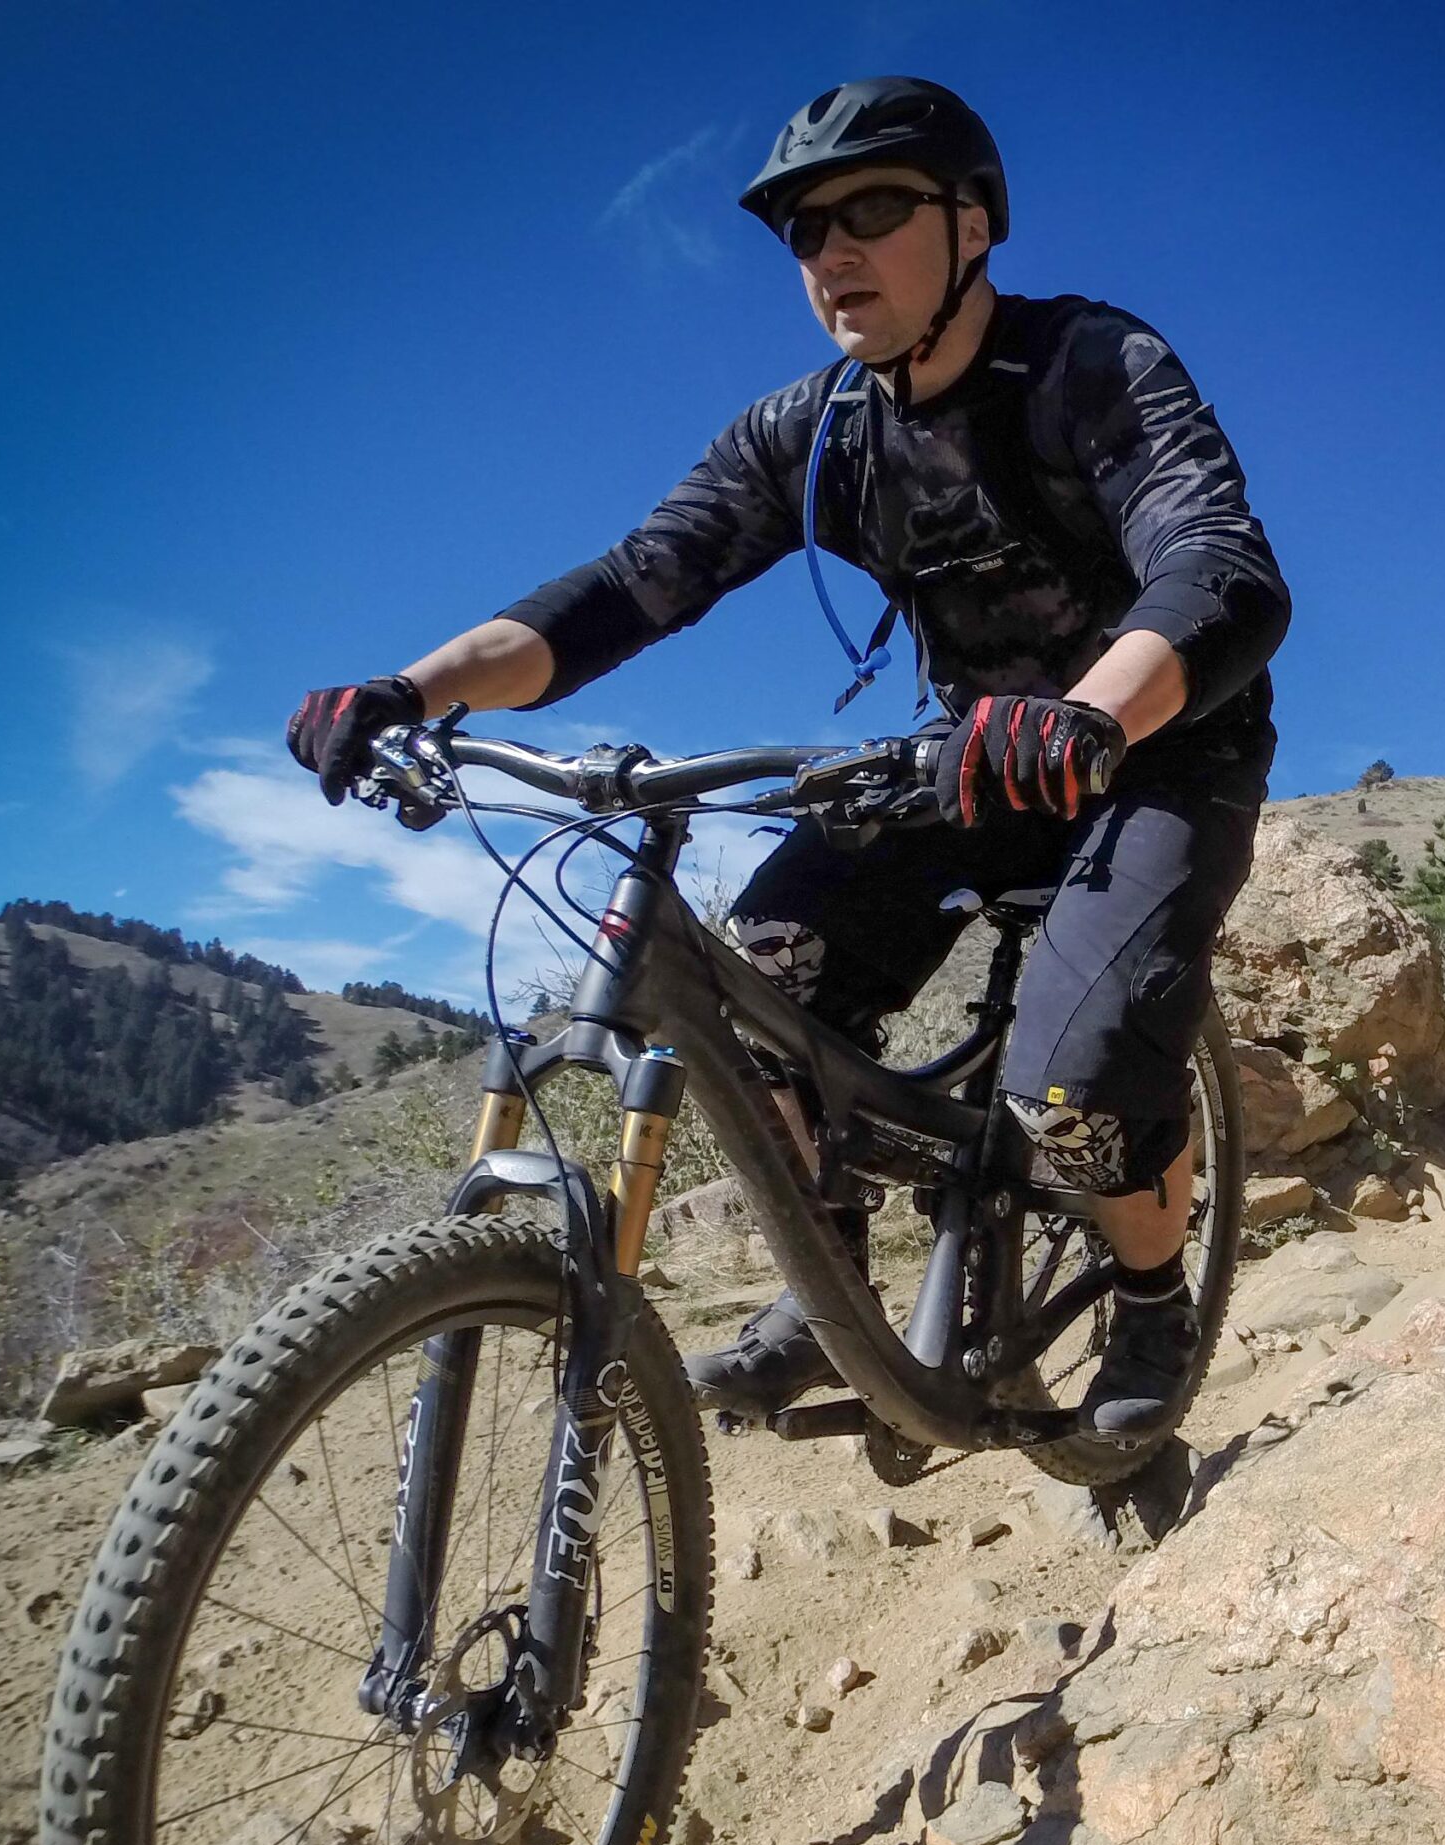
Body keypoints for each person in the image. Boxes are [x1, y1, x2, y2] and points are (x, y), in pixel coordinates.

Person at [287, 77, 1289, 1437]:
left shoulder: (1090, 366)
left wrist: (1092, 713)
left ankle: (1154, 1299)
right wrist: (412, 687)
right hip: (968, 765)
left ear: (977, 221)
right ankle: (832, 1300)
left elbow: (1219, 569)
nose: (831, 252)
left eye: (874, 209)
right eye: (805, 229)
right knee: (758, 988)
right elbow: (628, 588)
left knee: (1076, 1084)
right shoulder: (810, 432)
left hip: (1160, 747)